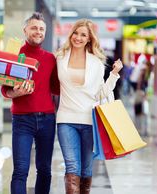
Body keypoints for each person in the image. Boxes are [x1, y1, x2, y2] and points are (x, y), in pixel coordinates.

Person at [54, 19, 123, 194]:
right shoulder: (60, 57)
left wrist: (114, 74)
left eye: (83, 34)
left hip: (90, 121)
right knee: (72, 167)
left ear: (89, 39)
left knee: (85, 170)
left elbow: (101, 93)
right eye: (76, 33)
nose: (78, 37)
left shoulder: (96, 63)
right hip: (66, 120)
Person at [1, 12, 59, 194]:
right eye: (34, 27)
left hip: (47, 119)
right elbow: (4, 90)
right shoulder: (14, 55)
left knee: (44, 170)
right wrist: (15, 92)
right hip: (22, 120)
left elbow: (57, 89)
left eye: (42, 29)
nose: (38, 31)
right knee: (20, 170)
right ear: (25, 30)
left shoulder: (50, 59)